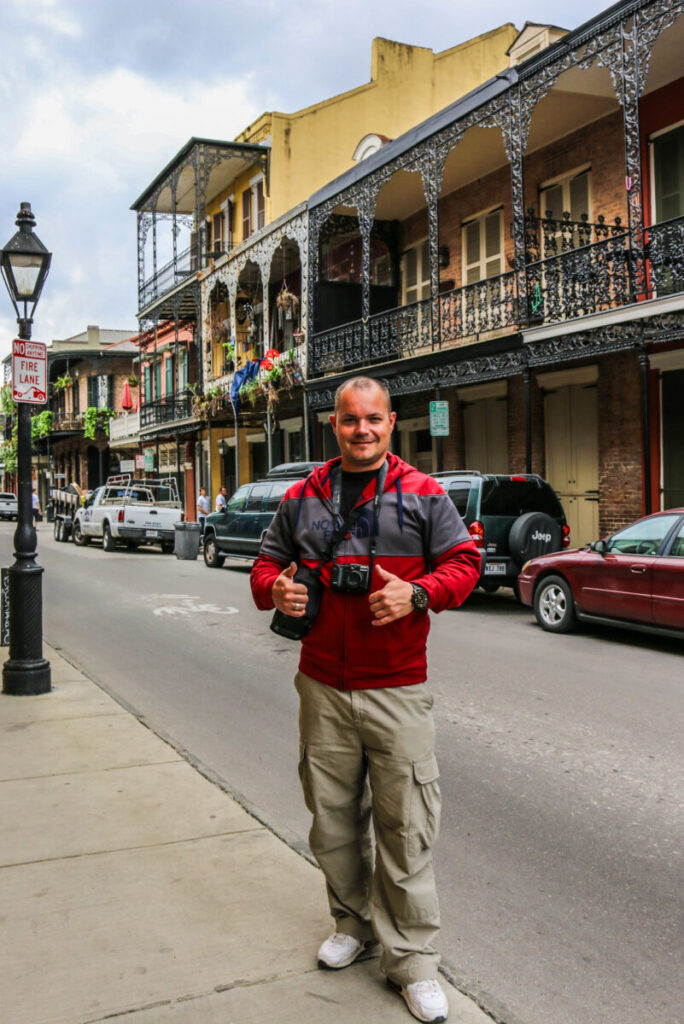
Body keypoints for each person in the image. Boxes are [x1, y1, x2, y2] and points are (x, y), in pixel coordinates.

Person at [250, 376, 480, 1023]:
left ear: (391, 421)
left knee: (405, 827)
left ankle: (411, 963)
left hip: (397, 687)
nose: (363, 430)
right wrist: (276, 591)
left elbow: (464, 563)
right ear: (334, 423)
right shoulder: (302, 499)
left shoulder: (424, 495)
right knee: (332, 821)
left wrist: (419, 593)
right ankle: (353, 925)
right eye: (351, 421)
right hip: (322, 683)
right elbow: (267, 565)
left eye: (373, 419)